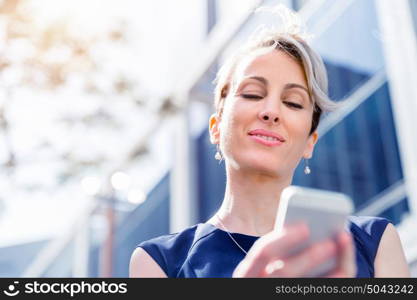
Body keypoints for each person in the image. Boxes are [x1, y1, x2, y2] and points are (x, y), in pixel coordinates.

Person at [129, 5, 410, 278]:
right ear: (216, 128)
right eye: (252, 94)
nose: (271, 112)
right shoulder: (160, 262)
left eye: (292, 102)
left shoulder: (374, 244)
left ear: (310, 142)